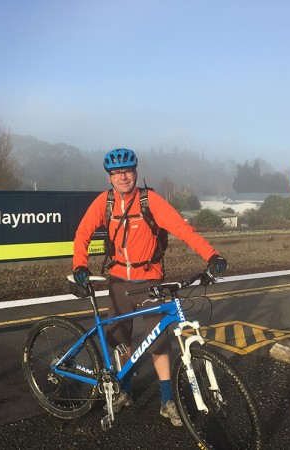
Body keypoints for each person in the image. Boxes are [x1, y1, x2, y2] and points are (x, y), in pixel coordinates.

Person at [72, 148, 227, 427]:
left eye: (127, 171)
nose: (123, 177)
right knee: (121, 339)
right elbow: (82, 234)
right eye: (117, 173)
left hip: (150, 280)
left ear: (136, 173)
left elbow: (183, 229)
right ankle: (126, 392)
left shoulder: (150, 200)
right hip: (118, 280)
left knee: (158, 343)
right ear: (109, 178)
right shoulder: (104, 202)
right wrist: (79, 265)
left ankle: (167, 402)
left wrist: (211, 255)